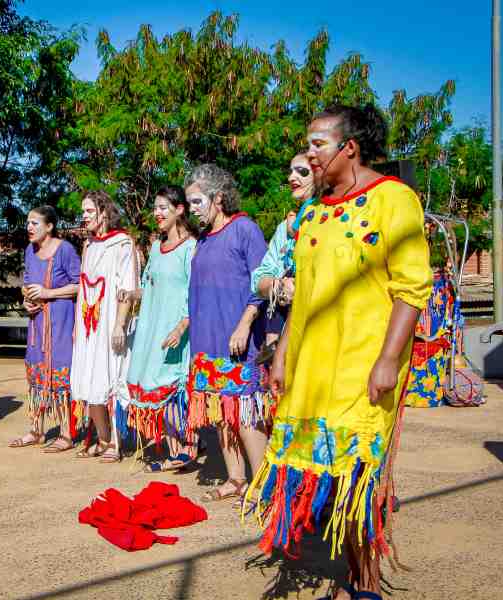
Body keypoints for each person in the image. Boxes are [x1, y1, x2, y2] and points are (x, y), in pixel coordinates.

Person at [247, 105, 431, 600]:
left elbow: (411, 288)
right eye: (308, 144)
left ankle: (365, 586)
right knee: (323, 473)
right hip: (311, 368)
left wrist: (388, 360)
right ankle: (351, 574)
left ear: (349, 147)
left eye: (318, 144)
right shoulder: (314, 211)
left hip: (362, 366)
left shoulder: (393, 199)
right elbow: (305, 294)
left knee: (357, 478)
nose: (309, 154)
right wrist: (282, 355)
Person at [184, 164, 272, 502]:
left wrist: (245, 323)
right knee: (221, 411)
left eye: (197, 201)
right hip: (206, 339)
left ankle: (262, 482)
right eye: (189, 203)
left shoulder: (245, 229)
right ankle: (236, 478)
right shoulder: (203, 240)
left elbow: (262, 282)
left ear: (218, 198)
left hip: (238, 338)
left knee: (245, 410)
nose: (192, 209)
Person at [119, 186, 198, 472]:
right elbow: (149, 286)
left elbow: (195, 293)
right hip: (151, 330)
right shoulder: (155, 247)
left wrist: (181, 327)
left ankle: (189, 445)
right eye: (155, 208)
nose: (157, 213)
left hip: (175, 330)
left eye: (163, 207)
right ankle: (174, 448)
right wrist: (131, 294)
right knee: (152, 385)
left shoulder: (191, 248)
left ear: (180, 210)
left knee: (173, 386)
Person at [70, 190, 138, 463]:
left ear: (105, 213)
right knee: (89, 378)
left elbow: (127, 287)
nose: (84, 216)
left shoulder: (122, 244)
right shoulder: (89, 245)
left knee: (112, 376)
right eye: (83, 211)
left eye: (89, 211)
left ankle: (117, 442)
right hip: (88, 324)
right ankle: (103, 437)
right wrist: (77, 326)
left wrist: (119, 325)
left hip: (110, 320)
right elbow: (83, 288)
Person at [10, 206, 81, 451]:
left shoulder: (65, 250)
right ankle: (36, 430)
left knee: (60, 374)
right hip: (37, 323)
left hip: (61, 322)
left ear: (49, 226)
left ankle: (66, 433)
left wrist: (48, 293)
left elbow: (80, 284)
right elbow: (27, 284)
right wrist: (26, 300)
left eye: (35, 223)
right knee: (37, 372)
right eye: (28, 223)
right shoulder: (30, 251)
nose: (29, 227)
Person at [251, 153, 317, 353]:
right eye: (290, 172)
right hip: (284, 334)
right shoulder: (284, 227)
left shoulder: (332, 217)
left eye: (301, 171)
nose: (291, 177)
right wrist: (278, 287)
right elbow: (259, 278)